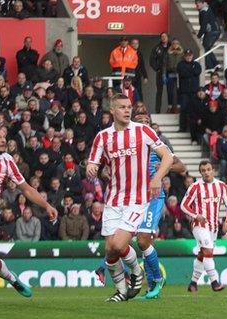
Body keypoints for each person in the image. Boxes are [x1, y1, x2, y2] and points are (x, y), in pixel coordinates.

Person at [86, 94, 174, 302]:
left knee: (118, 245)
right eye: (122, 107)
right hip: (114, 199)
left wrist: (157, 178)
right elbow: (94, 162)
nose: (127, 110)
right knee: (110, 251)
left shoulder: (142, 130)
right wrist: (91, 167)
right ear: (112, 110)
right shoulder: (103, 137)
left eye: (129, 107)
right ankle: (121, 291)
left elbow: (168, 156)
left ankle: (136, 271)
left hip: (138, 199)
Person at [0, 125, 58, 300]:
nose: (3, 141)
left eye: (3, 137)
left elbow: (27, 189)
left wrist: (46, 206)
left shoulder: (7, 161)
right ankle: (13, 279)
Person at [180, 161, 227, 292]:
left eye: (208, 169)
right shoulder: (195, 186)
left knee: (203, 254)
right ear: (200, 172)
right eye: (203, 170)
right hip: (199, 225)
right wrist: (195, 215)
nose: (206, 172)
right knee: (208, 251)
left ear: (213, 170)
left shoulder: (221, 186)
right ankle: (215, 282)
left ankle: (193, 283)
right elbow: (183, 205)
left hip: (214, 227)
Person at [196, 0, 221, 70]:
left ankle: (210, 66)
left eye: (198, 3)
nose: (197, 5)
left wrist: (199, 36)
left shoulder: (204, 11)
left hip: (211, 32)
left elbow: (204, 25)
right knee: (207, 48)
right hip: (215, 31)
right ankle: (215, 64)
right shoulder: (207, 9)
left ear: (202, 3)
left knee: (204, 48)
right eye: (196, 3)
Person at [149, 32, 170, 113]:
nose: (163, 38)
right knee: (159, 92)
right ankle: (157, 110)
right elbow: (152, 60)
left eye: (165, 36)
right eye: (162, 37)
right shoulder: (157, 48)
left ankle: (171, 108)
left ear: (168, 37)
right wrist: (157, 68)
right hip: (160, 72)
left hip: (169, 72)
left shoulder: (172, 46)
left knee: (170, 91)